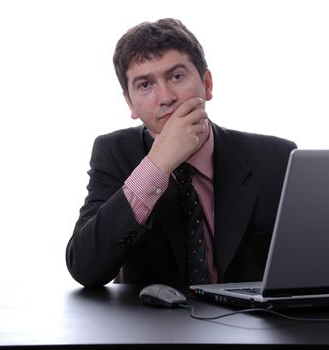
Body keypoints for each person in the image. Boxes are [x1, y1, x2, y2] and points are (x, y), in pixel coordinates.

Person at [66, 18, 297, 289]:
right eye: (145, 85)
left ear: (207, 84)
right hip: (155, 328)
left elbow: (310, 261)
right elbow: (85, 268)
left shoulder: (276, 158)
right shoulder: (114, 153)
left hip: (246, 326)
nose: (166, 97)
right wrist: (157, 165)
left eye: (177, 76)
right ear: (130, 103)